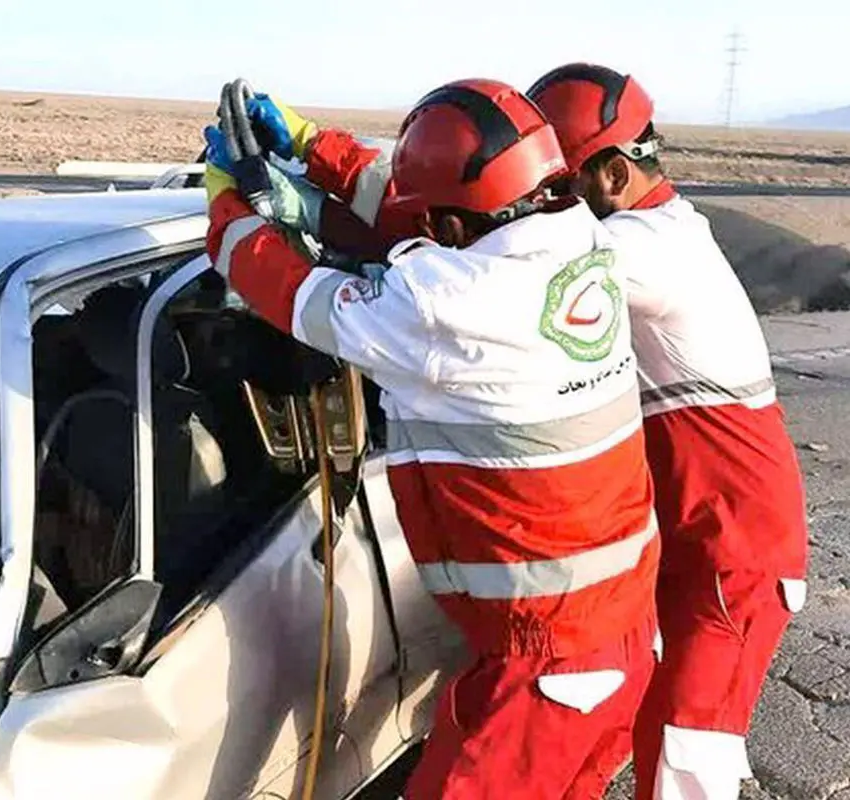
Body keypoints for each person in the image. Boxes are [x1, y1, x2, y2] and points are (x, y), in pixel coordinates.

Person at [205, 78, 661, 799]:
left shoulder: (443, 305)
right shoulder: (581, 239)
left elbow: (291, 290)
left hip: (544, 667)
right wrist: (307, 145)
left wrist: (226, 205)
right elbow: (415, 210)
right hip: (619, 629)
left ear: (448, 232)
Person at [526, 63, 809, 799]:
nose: (544, 206)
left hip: (731, 555)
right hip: (691, 544)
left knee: (686, 760)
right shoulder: (659, 233)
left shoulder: (643, 250)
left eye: (557, 188)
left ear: (613, 174)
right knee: (632, 731)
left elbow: (506, 269)